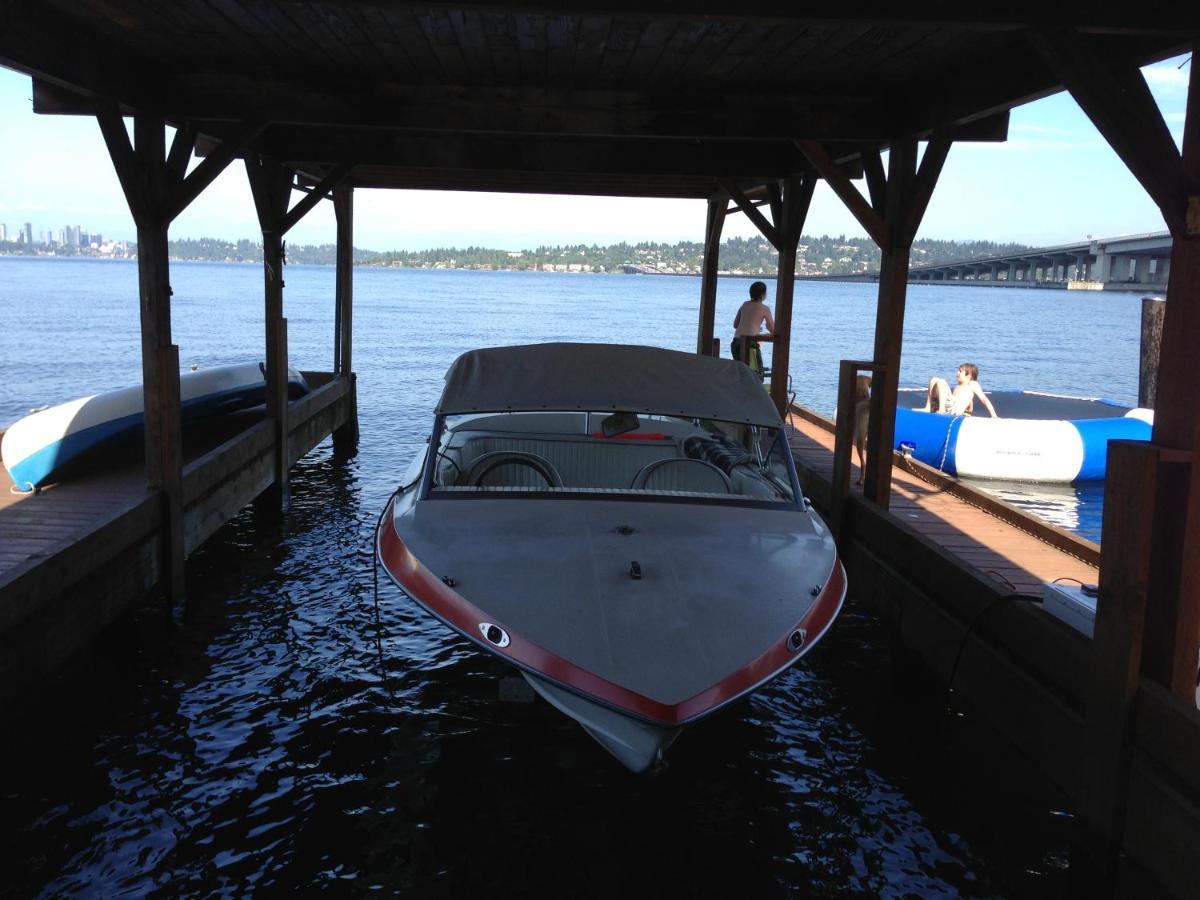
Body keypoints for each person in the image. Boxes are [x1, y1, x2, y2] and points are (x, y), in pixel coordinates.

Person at [923, 363, 999, 417]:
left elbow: (984, 399)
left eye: (960, 371)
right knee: (934, 379)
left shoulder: (972, 384)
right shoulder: (958, 386)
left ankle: (941, 410)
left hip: (954, 411)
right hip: (950, 406)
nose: (957, 373)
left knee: (942, 382)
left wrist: (994, 415)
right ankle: (928, 407)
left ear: (969, 376)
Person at [731, 281, 774, 376]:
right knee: (758, 375)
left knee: (740, 373)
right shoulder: (765, 308)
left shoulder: (744, 304)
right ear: (763, 294)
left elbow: (735, 325)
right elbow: (772, 328)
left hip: (736, 342)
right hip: (750, 345)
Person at [853, 374, 871, 485]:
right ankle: (864, 472)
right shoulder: (867, 379)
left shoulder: (854, 379)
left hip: (861, 411)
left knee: (860, 442)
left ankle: (863, 470)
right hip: (867, 406)